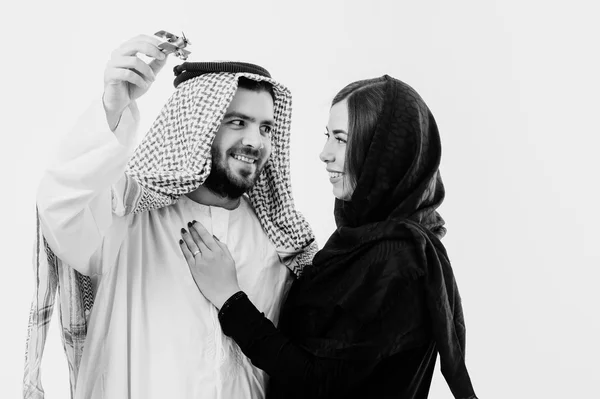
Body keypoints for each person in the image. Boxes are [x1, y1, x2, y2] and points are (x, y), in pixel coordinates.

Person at [23, 34, 316, 399]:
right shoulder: (127, 222)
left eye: (265, 127)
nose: (256, 142)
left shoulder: (280, 244)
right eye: (237, 122)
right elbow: (58, 205)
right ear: (197, 125)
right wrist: (113, 107)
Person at [179, 75, 478, 398]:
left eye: (341, 139)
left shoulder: (399, 259)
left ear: (382, 154)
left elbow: (320, 381)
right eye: (327, 136)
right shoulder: (361, 244)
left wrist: (229, 298)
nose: (324, 153)